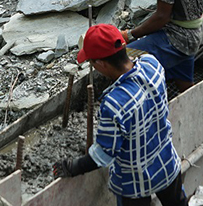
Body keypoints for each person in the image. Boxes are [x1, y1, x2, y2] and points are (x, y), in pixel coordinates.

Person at [54, 24, 188, 206]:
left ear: (101, 63)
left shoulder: (114, 104)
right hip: (166, 164)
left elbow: (104, 155)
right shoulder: (152, 65)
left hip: (135, 183)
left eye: (92, 63)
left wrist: (73, 166)